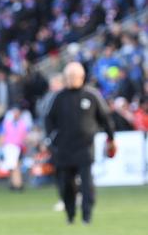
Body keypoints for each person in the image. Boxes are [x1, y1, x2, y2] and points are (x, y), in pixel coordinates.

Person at [45, 62, 115, 225]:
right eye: (68, 77)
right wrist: (51, 139)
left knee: (87, 185)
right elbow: (48, 119)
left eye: (74, 76)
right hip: (64, 148)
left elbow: (105, 118)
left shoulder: (92, 95)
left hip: (85, 148)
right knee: (65, 186)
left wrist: (111, 138)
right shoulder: (58, 97)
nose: (71, 79)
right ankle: (70, 215)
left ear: (82, 77)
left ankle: (87, 216)